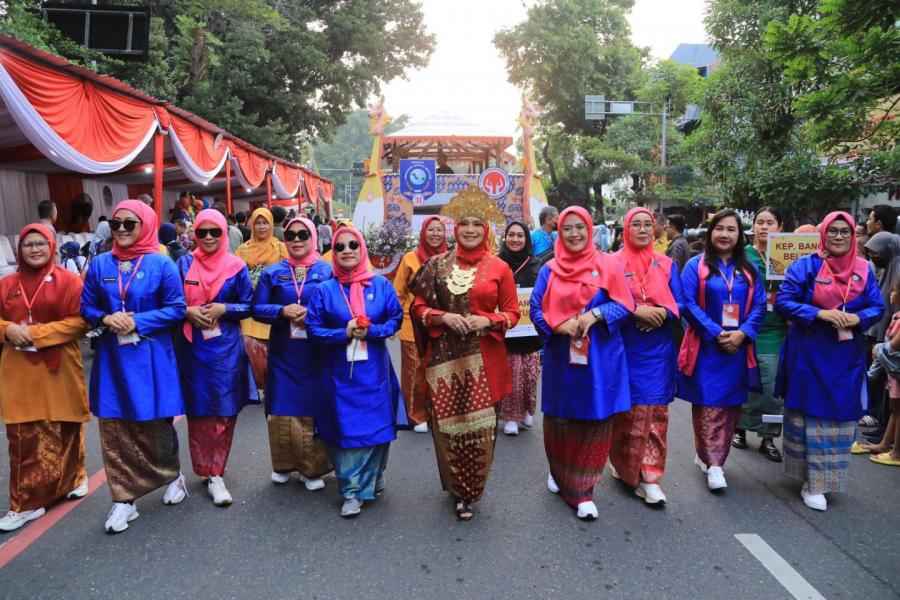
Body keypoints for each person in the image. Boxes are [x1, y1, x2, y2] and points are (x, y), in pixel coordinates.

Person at [409, 188, 520, 521]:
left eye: (477, 224)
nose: (470, 229)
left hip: (486, 363)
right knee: (447, 428)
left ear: (486, 230)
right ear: (454, 229)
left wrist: (489, 319)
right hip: (444, 360)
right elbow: (417, 306)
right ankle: (457, 491)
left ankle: (472, 489)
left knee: (481, 430)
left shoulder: (500, 267)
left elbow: (514, 313)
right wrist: (442, 317)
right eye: (464, 224)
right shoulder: (436, 265)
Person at [80, 200, 188, 534]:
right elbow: (86, 306)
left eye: (130, 223)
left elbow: (177, 309)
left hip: (151, 356)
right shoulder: (99, 264)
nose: (123, 230)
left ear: (146, 225)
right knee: (114, 425)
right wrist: (104, 317)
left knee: (155, 422)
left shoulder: (162, 264)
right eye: (116, 223)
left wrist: (137, 321)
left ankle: (171, 475)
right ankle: (123, 500)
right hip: (114, 358)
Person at [775, 212, 885, 511]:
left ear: (853, 236)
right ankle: (810, 480)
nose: (838, 237)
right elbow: (784, 302)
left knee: (838, 417)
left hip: (844, 358)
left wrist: (858, 317)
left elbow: (878, 305)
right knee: (808, 415)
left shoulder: (863, 269)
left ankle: (821, 482)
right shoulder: (806, 266)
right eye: (832, 231)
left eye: (845, 232)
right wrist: (819, 314)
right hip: (808, 353)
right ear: (823, 235)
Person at [530, 206, 635, 520]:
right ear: (558, 233)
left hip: (601, 357)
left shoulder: (608, 265)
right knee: (560, 417)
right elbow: (536, 307)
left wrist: (596, 314)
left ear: (590, 230)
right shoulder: (549, 269)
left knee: (596, 416)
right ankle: (560, 472)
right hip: (563, 356)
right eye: (567, 229)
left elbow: (626, 304)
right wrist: (556, 326)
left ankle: (583, 489)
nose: (574, 234)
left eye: (580, 228)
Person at [306, 227, 405, 518]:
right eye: (340, 247)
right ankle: (350, 490)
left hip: (374, 371)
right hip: (338, 374)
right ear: (332, 252)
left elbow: (395, 318)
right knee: (344, 428)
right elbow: (313, 329)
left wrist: (372, 331)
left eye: (353, 245)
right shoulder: (324, 290)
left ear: (362, 249)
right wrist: (344, 332)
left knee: (376, 426)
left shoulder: (381, 286)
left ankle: (372, 478)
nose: (347, 250)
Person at [0, 224, 90, 532]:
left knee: (65, 424)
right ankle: (24, 503)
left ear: (52, 246)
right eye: (28, 244)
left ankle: (75, 476)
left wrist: (36, 334)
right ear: (19, 249)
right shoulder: (7, 283)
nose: (35, 249)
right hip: (20, 369)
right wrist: (6, 330)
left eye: (41, 243)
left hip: (59, 365)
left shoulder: (69, 281)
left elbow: (80, 321)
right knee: (23, 435)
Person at [677, 208, 767, 492]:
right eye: (720, 228)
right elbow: (686, 303)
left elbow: (760, 306)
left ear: (740, 235)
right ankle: (715, 464)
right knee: (707, 405)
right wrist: (716, 333)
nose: (725, 234)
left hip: (737, 350)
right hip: (706, 348)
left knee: (729, 408)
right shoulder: (696, 265)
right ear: (710, 232)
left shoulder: (748, 270)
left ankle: (710, 453)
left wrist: (742, 334)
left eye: (731, 229)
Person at [175, 209, 254, 506]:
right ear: (195, 233)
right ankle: (203, 468)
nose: (208, 237)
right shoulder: (184, 263)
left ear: (224, 233)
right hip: (192, 347)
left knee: (224, 409)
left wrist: (225, 309)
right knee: (198, 410)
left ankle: (216, 472)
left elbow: (248, 305)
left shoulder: (236, 266)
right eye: (203, 232)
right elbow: (171, 302)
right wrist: (187, 311)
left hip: (225, 350)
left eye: (215, 232)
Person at [252, 217, 334, 489]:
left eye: (303, 234)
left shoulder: (327, 271)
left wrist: (314, 315)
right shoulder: (272, 273)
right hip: (284, 354)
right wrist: (281, 311)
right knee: (281, 407)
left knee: (313, 407)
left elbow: (338, 307)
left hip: (316, 354)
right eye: (290, 236)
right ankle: (283, 464)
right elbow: (256, 309)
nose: (296, 240)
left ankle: (311, 469)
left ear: (313, 238)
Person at [609, 208, 683, 505]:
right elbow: (603, 300)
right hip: (622, 348)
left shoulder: (666, 264)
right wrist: (634, 310)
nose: (642, 230)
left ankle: (650, 477)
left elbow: (682, 302)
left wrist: (662, 312)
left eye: (647, 225)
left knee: (654, 415)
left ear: (655, 230)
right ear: (625, 229)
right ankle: (625, 468)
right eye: (635, 224)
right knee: (624, 414)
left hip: (656, 351)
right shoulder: (612, 263)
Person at [732, 207, 788, 461]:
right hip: (746, 328)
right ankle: (739, 429)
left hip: (777, 329)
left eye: (770, 223)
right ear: (753, 227)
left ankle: (768, 438)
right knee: (745, 382)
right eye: (760, 222)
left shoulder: (789, 257)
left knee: (771, 385)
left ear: (780, 227)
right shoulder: (742, 256)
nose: (764, 227)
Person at [392, 216, 447, 433]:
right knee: (414, 369)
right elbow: (398, 292)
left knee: (439, 367)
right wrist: (397, 320)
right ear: (423, 233)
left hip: (441, 322)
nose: (435, 234)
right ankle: (416, 415)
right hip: (411, 322)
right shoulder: (410, 259)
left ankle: (438, 412)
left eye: (439, 230)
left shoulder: (449, 258)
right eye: (431, 229)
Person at [497, 220, 543, 436]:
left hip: (530, 329)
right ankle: (510, 417)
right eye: (511, 235)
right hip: (506, 329)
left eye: (520, 235)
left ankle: (527, 409)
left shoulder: (536, 264)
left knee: (531, 374)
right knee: (512, 372)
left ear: (526, 239)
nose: (515, 239)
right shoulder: (496, 263)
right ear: (505, 237)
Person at [235, 208, 288, 395]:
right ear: (252, 225)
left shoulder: (281, 248)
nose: (262, 226)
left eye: (265, 222)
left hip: (273, 305)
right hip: (250, 305)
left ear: (272, 224)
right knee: (251, 348)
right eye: (258, 222)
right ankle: (256, 384)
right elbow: (235, 275)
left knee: (273, 347)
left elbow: (290, 275)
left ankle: (273, 384)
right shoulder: (243, 249)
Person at [862, 231, 900, 437]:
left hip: (892, 341)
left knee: (890, 388)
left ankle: (885, 430)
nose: (874, 258)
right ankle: (882, 426)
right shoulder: (887, 270)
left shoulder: (897, 268)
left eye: (877, 253)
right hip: (882, 335)